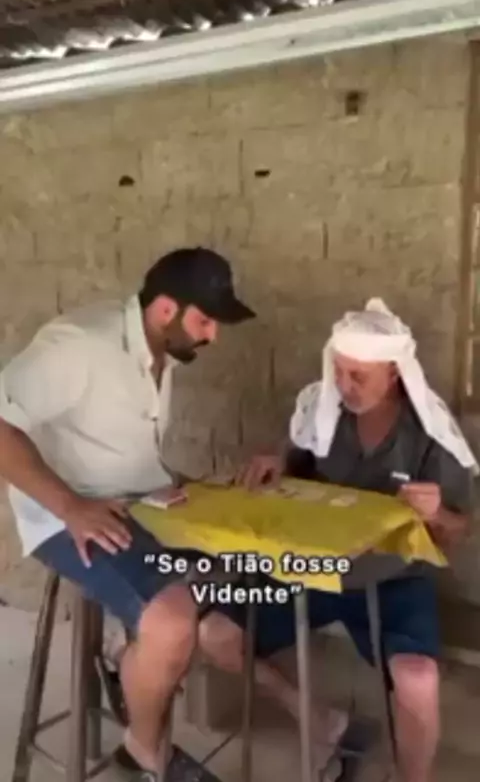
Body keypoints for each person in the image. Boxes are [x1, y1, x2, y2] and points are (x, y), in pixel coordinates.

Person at [0, 247, 255, 782]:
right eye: (205, 321)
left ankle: (127, 655)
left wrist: (189, 487)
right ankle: (144, 750)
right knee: (172, 617)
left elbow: (122, 450)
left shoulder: (159, 353)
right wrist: (70, 506)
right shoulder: (81, 344)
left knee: (237, 573)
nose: (213, 336)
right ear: (165, 309)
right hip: (66, 513)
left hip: (135, 501)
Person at [199, 298, 477, 782]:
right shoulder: (325, 412)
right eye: (340, 372)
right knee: (215, 632)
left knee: (418, 677)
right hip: (312, 570)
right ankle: (321, 721)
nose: (346, 387)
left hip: (392, 578)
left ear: (394, 373)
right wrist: (275, 464)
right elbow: (292, 463)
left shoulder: (428, 433)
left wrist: (437, 514)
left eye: (359, 376)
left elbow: (460, 530)